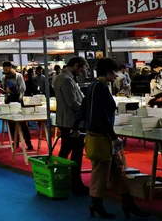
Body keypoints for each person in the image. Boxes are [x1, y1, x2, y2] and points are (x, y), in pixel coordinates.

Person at [75, 58, 149, 219]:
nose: (116, 75)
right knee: (101, 173)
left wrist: (77, 126)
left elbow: (84, 109)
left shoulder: (96, 86)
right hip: (101, 136)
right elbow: (99, 115)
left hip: (102, 135)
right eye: (114, 72)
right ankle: (97, 203)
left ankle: (127, 203)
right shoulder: (99, 87)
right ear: (107, 72)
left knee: (118, 170)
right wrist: (113, 136)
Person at [53, 57, 89, 195]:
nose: (82, 72)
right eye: (81, 68)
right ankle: (76, 183)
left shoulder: (60, 77)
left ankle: (61, 178)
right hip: (72, 122)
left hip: (65, 121)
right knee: (76, 154)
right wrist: (86, 112)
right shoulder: (67, 79)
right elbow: (72, 103)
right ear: (75, 65)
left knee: (65, 151)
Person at [2, 61, 33, 150]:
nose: (5, 70)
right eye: (4, 69)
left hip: (18, 101)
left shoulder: (18, 76)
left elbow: (23, 88)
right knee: (11, 123)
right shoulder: (4, 78)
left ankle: (28, 142)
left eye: (6, 69)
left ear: (10, 67)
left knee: (22, 123)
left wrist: (12, 89)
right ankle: (15, 141)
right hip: (9, 101)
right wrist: (4, 90)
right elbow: (4, 88)